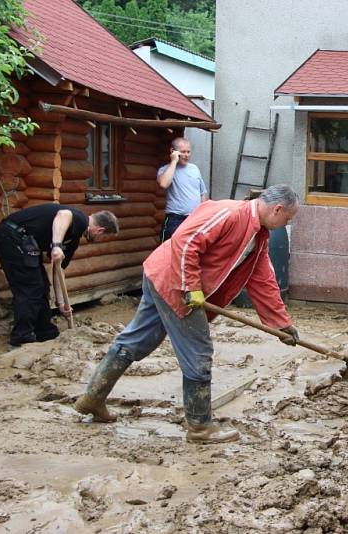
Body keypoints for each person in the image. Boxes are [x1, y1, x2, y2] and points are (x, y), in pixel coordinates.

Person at [74, 185, 301, 443]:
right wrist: (190, 287)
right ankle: (200, 426)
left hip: (165, 277)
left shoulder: (259, 236)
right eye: (288, 218)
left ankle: (93, 398)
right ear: (277, 209)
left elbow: (262, 279)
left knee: (136, 339)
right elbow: (186, 242)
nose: (287, 222)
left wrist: (280, 323)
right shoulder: (229, 213)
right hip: (174, 282)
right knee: (198, 353)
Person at [0, 205, 118, 347]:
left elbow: (58, 270)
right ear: (100, 230)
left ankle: (45, 332)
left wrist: (61, 303)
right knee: (31, 289)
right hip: (12, 236)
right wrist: (56, 245)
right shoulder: (80, 219)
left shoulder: (73, 240)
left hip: (24, 243)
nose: (99, 239)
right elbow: (63, 214)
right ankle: (21, 338)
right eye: (102, 237)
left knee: (42, 286)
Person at [157, 137, 207, 241]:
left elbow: (203, 193)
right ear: (173, 151)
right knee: (167, 251)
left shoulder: (195, 169)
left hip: (194, 218)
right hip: (175, 219)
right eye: (183, 152)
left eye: (188, 152)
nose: (186, 155)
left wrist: (203, 214)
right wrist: (174, 161)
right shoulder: (165, 169)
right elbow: (164, 184)